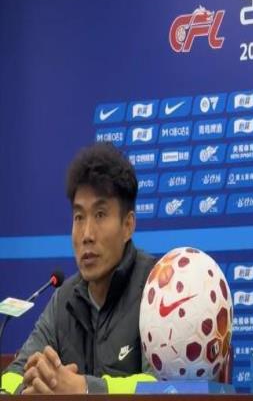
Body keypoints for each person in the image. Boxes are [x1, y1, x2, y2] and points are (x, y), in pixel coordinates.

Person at [1, 143, 157, 394]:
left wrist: (85, 389)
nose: (86, 235)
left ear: (128, 225)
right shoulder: (64, 299)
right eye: (79, 217)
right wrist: (26, 391)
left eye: (100, 215)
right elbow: (14, 373)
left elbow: (166, 386)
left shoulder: (157, 290)